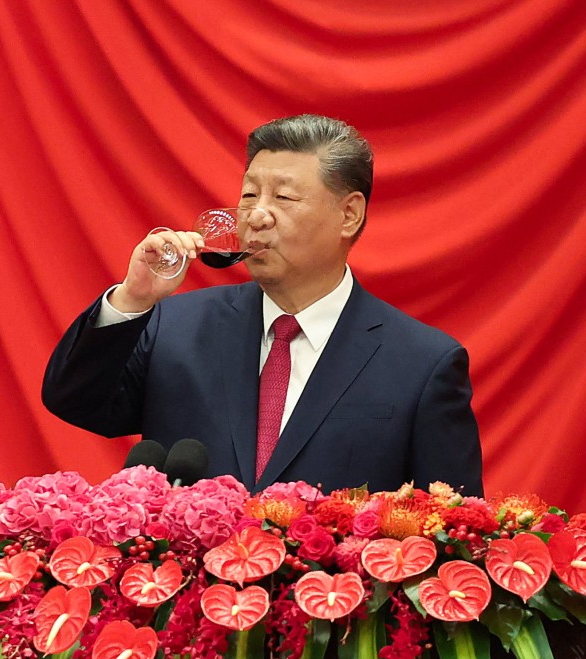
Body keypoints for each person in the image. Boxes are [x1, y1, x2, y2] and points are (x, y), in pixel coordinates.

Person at [42, 114, 483, 496]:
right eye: (250, 195)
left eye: (283, 198)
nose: (256, 216)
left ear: (349, 214)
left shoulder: (422, 364)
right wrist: (133, 299)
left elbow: (449, 531)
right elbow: (76, 402)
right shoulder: (176, 327)